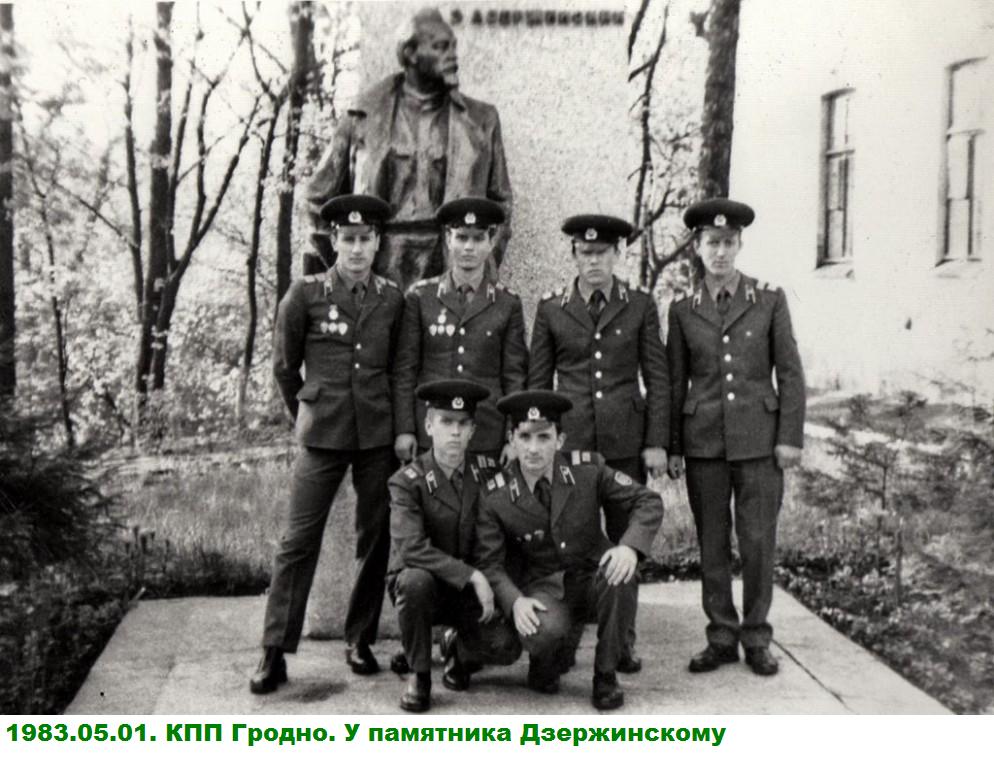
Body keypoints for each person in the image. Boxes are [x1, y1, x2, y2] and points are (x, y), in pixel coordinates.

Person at [250, 194, 405, 694]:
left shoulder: (392, 298)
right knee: (298, 540)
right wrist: (307, 412)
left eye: (365, 239)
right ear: (334, 240)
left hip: (376, 434)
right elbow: (283, 366)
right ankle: (274, 650)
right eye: (348, 239)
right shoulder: (306, 293)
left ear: (377, 243)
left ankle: (359, 638)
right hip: (322, 434)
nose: (357, 249)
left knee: (375, 537)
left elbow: (399, 368)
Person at [666, 198, 806, 677]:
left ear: (740, 244)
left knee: (758, 542)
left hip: (759, 442)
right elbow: (675, 381)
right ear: (698, 247)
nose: (720, 252)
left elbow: (790, 372)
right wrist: (674, 446)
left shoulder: (769, 300)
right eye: (712, 243)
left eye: (728, 242)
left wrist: (789, 437)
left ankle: (757, 636)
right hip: (704, 442)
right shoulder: (683, 310)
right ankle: (721, 636)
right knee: (712, 542)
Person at [528, 213, 669, 671]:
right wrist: (538, 444)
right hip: (571, 448)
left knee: (628, 541)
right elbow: (538, 383)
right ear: (573, 254)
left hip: (626, 441)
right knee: (573, 545)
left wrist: (657, 441)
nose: (593, 261)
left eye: (602, 252)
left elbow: (658, 377)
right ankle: (567, 638)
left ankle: (622, 644)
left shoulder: (639, 304)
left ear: (617, 254)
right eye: (585, 252)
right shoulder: (552, 308)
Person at [475, 391, 664, 710]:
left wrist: (629, 548)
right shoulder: (496, 495)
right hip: (544, 588)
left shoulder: (587, 470)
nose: (533, 448)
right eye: (525, 437)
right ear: (511, 440)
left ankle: (605, 675)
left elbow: (647, 501)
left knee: (621, 575)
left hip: (590, 579)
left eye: (544, 437)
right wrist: (516, 601)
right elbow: (489, 563)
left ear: (560, 440)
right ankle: (548, 656)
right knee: (543, 637)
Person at [304, 7, 513, 288]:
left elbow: (501, 204)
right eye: (441, 47)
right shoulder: (362, 116)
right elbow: (318, 198)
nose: (453, 55)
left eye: (453, 46)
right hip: (379, 268)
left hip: (449, 265)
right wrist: (346, 266)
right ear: (410, 53)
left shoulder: (482, 120)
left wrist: (478, 270)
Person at [387, 380, 522, 712]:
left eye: (463, 424)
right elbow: (412, 549)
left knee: (506, 647)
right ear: (428, 425)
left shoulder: (487, 473)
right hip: (426, 587)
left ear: (473, 430)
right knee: (415, 581)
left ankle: (457, 649)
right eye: (446, 421)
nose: (455, 432)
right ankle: (419, 674)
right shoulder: (407, 482)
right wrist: (472, 576)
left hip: (468, 594)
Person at [393, 197, 527, 465]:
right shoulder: (421, 297)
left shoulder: (507, 303)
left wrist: (513, 436)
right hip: (432, 430)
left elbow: (514, 376)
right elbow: (405, 370)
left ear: (491, 242)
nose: (469, 247)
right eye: (461, 237)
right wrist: (405, 429)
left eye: (478, 238)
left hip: (486, 432)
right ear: (448, 239)